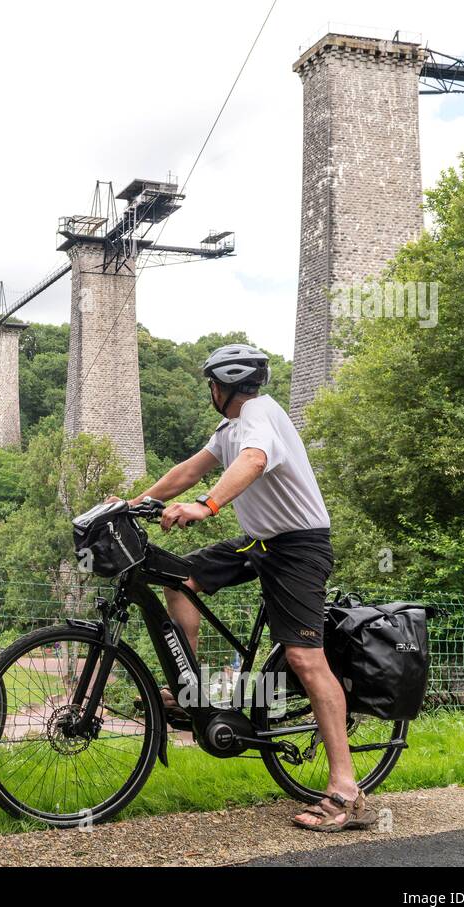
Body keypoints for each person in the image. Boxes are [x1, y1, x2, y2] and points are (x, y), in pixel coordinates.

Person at [119, 344, 377, 832]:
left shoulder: (259, 414)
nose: (208, 393)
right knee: (180, 578)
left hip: (299, 547)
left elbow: (254, 461)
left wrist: (206, 506)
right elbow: (188, 471)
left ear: (224, 386)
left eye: (209, 385)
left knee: (304, 657)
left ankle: (345, 787)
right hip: (261, 542)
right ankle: (187, 689)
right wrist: (133, 504)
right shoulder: (230, 428)